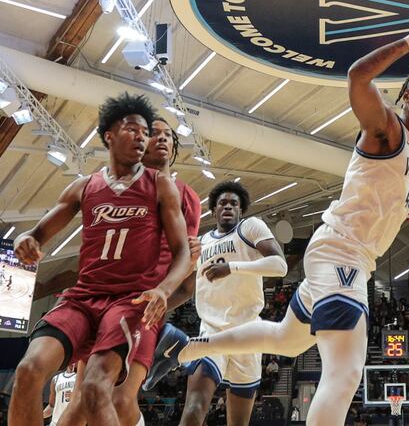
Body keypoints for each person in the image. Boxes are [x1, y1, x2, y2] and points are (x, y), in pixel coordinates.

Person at [145, 8, 409, 425]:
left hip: (344, 256)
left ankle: (185, 346)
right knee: (344, 375)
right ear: (406, 96)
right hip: (342, 254)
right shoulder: (386, 128)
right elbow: (358, 77)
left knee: (287, 340)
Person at [8, 92, 192, 425]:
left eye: (145, 132)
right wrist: (25, 240)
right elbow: (35, 234)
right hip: (82, 298)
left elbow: (182, 253)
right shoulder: (84, 186)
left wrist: (163, 290)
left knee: (94, 390)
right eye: (132, 129)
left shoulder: (161, 185)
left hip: (129, 301)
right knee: (28, 370)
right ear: (109, 135)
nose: (141, 137)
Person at [56, 117, 202, 426]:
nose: (162, 139)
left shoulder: (184, 195)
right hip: (98, 300)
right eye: (154, 134)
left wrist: (158, 304)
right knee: (81, 400)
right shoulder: (110, 185)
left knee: (120, 400)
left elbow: (186, 265)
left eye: (168, 135)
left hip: (139, 304)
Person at [148, 180, 287, 426]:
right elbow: (185, 290)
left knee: (238, 422)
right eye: (222, 203)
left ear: (241, 209)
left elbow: (280, 266)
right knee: (194, 407)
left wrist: (231, 268)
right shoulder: (201, 243)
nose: (228, 207)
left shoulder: (250, 227)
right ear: (214, 210)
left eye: (234, 203)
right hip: (212, 331)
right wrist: (153, 309)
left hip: (247, 334)